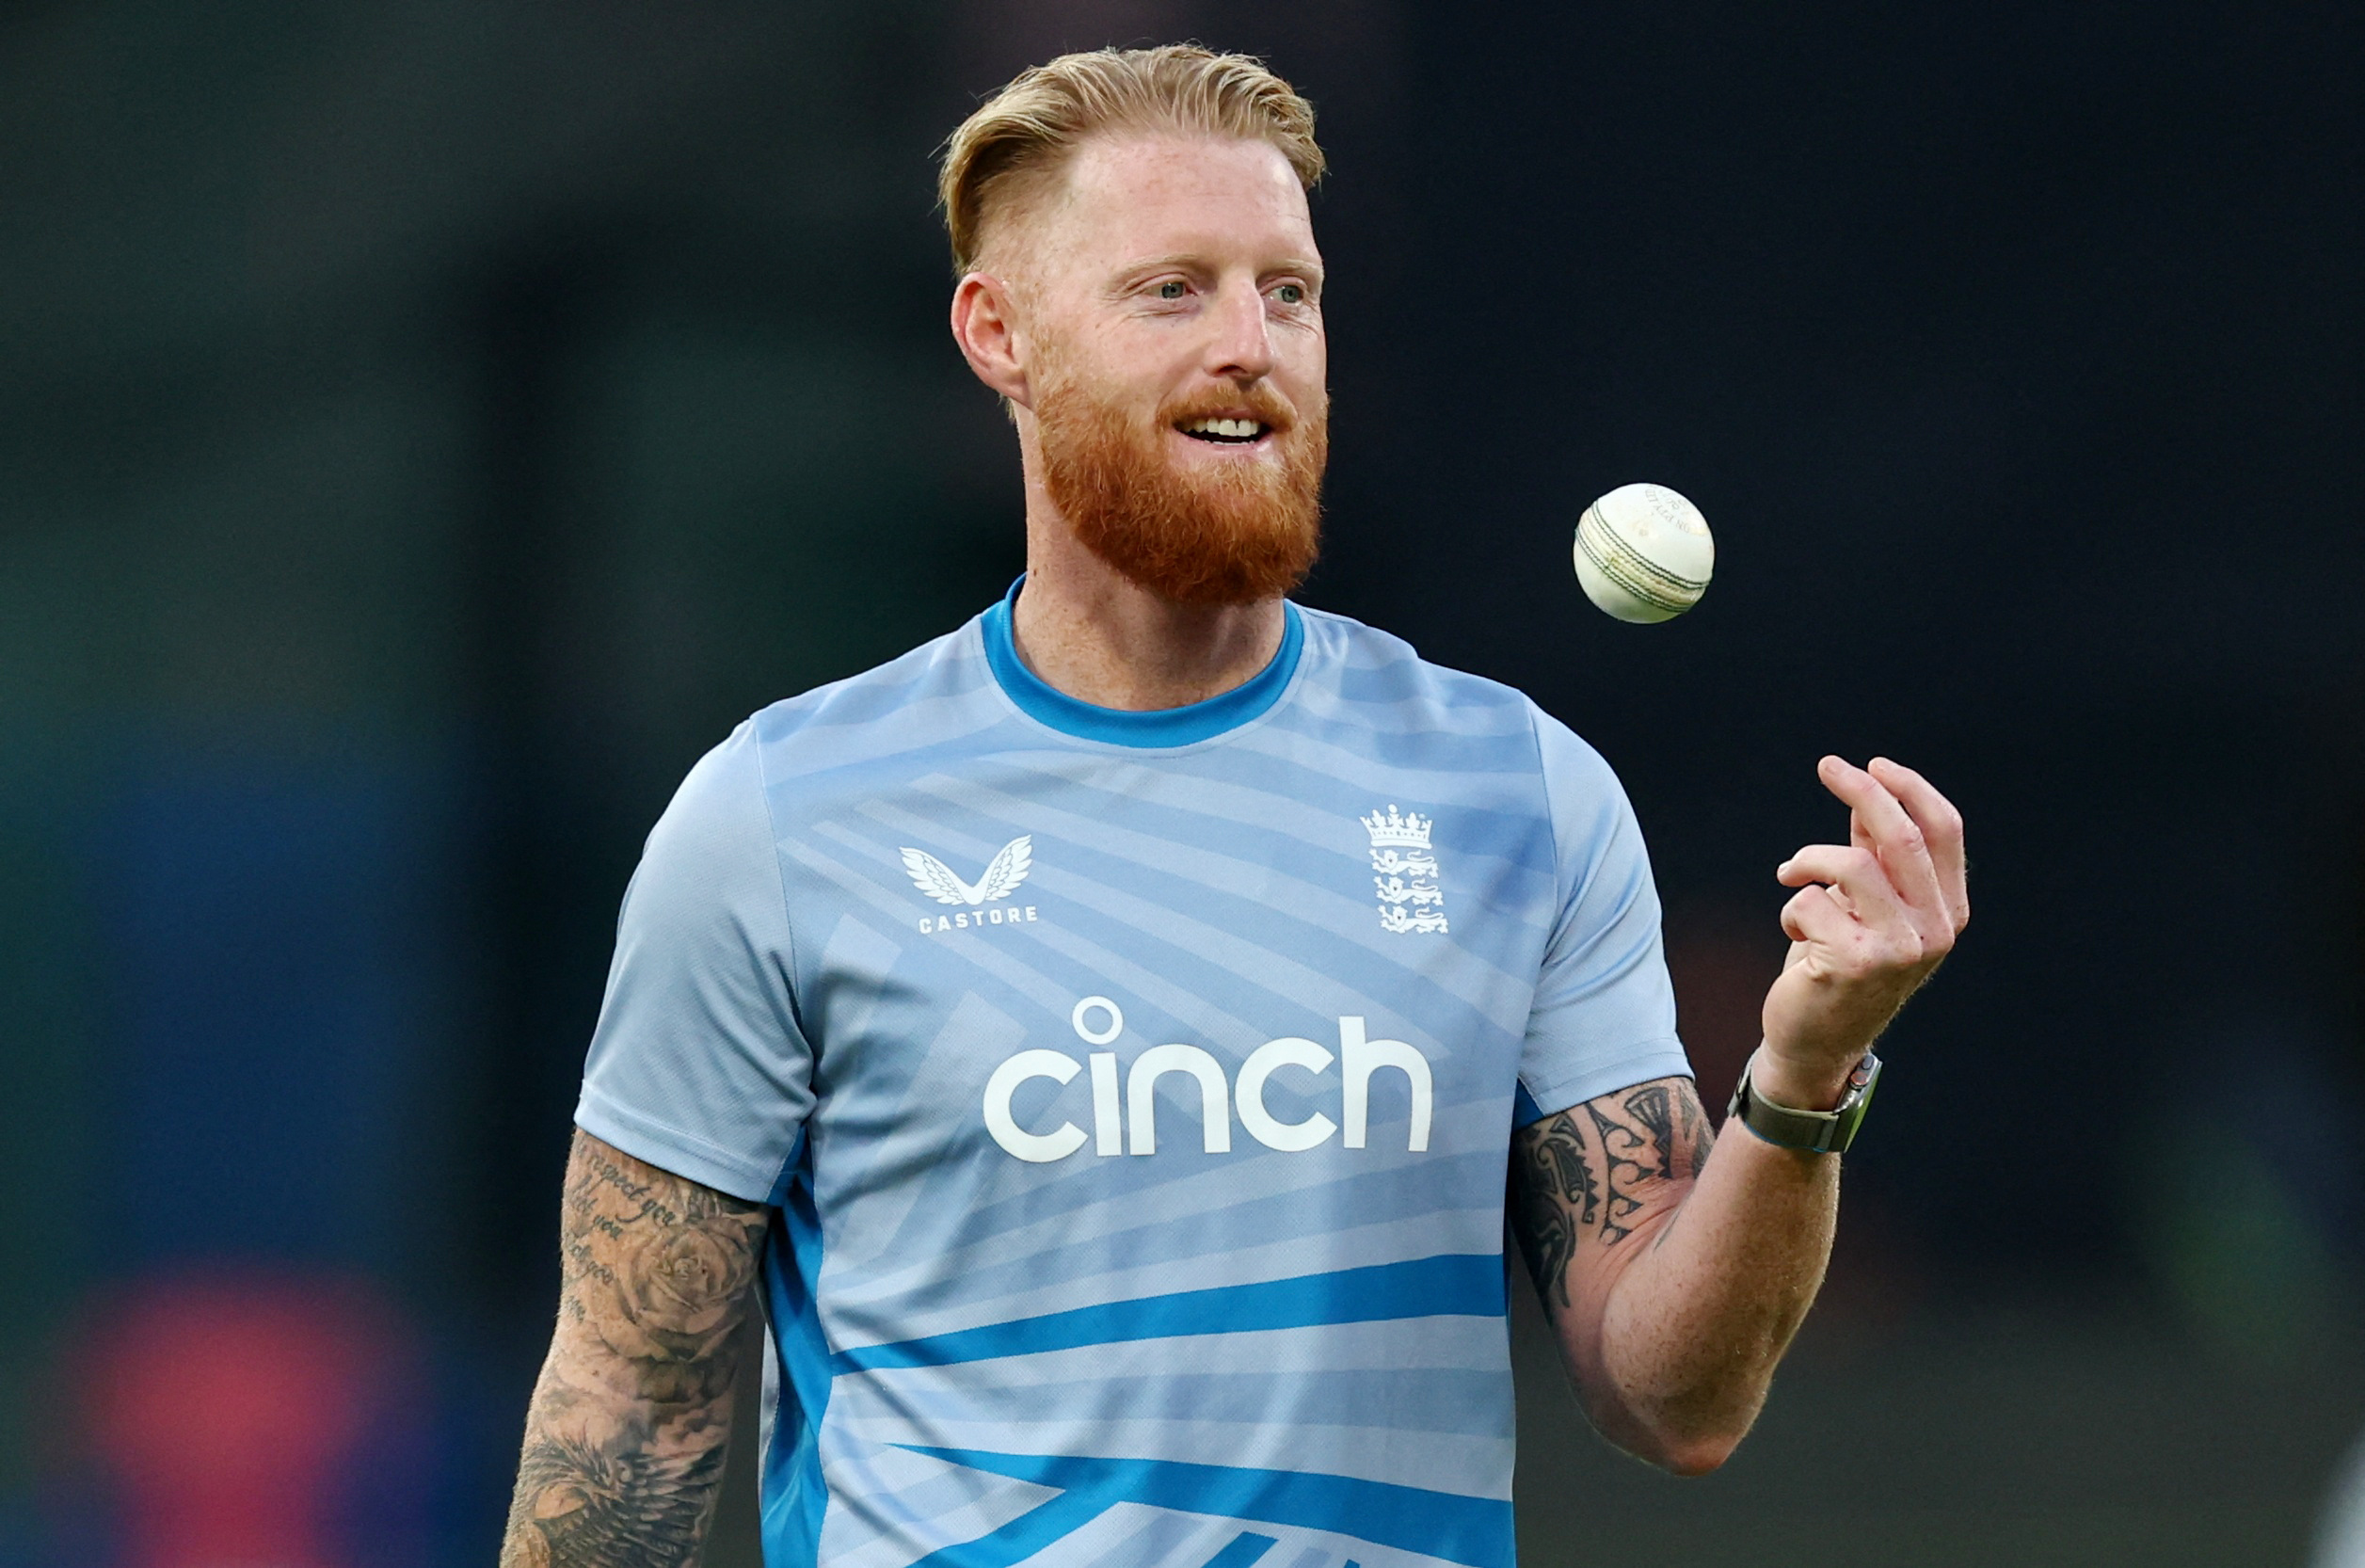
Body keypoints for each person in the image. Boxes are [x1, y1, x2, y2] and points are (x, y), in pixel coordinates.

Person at [497, 44, 1970, 1568]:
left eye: (1288, 291)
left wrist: (1800, 1074)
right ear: (998, 334)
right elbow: (630, 1405)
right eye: (1170, 291)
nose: (1248, 344)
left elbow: (1677, 1399)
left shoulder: (1517, 792)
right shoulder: (778, 819)